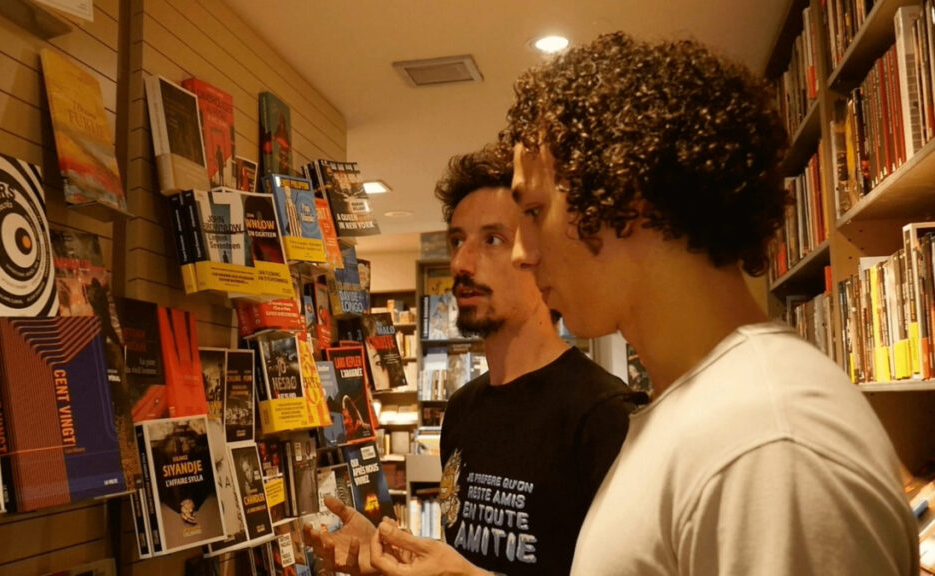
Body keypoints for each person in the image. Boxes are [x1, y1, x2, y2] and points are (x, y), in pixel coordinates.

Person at [375, 31, 918, 576]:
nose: (523, 253)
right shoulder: (705, 414)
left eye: (535, 213)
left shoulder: (768, 443)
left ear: (623, 195)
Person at [307, 146, 644, 575]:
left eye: (492, 240)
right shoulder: (464, 410)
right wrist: (390, 556)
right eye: (457, 241)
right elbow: (471, 558)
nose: (461, 263)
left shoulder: (605, 414)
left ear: (538, 255)